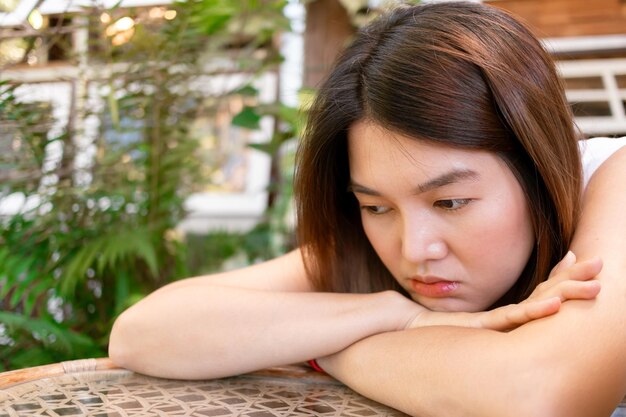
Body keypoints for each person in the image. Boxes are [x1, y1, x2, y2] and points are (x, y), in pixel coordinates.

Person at [108, 2, 626, 416]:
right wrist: (391, 316)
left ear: (538, 165)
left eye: (449, 201)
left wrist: (323, 345)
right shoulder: (374, 250)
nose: (414, 248)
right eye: (375, 206)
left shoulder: (613, 179)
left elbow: (537, 397)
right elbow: (141, 334)